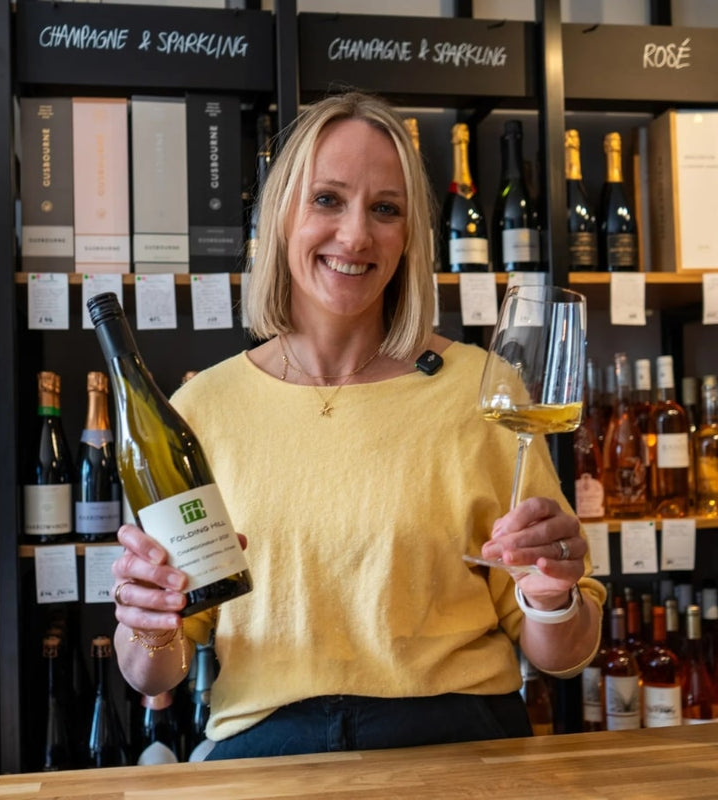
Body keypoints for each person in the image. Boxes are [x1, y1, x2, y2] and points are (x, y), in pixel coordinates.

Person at [109, 92, 605, 759]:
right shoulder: (201, 409)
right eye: (327, 200)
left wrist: (551, 599)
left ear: (408, 238)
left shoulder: (484, 393)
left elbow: (562, 656)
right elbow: (156, 671)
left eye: (385, 209)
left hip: (458, 742)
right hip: (267, 750)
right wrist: (147, 626)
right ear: (283, 214)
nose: (355, 236)